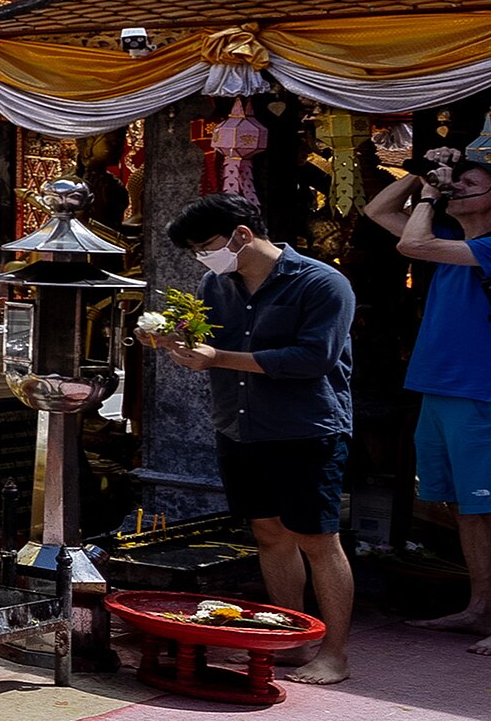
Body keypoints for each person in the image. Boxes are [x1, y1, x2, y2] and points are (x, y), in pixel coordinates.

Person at [149, 192, 356, 684]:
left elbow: (312, 359)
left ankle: (335, 652)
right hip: (239, 425)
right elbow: (199, 333)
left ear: (242, 235)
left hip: (304, 428)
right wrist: (169, 337)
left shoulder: (322, 283)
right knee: (268, 535)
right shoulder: (214, 282)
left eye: (206, 245)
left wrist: (217, 358)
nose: (203, 257)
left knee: (317, 539)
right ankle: (287, 637)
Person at [364, 134, 491, 656]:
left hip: (481, 392)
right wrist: (426, 178)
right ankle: (482, 606)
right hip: (441, 389)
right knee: (466, 507)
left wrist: (427, 196)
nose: (456, 188)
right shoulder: (455, 244)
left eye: (470, 184)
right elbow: (378, 209)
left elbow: (410, 243)